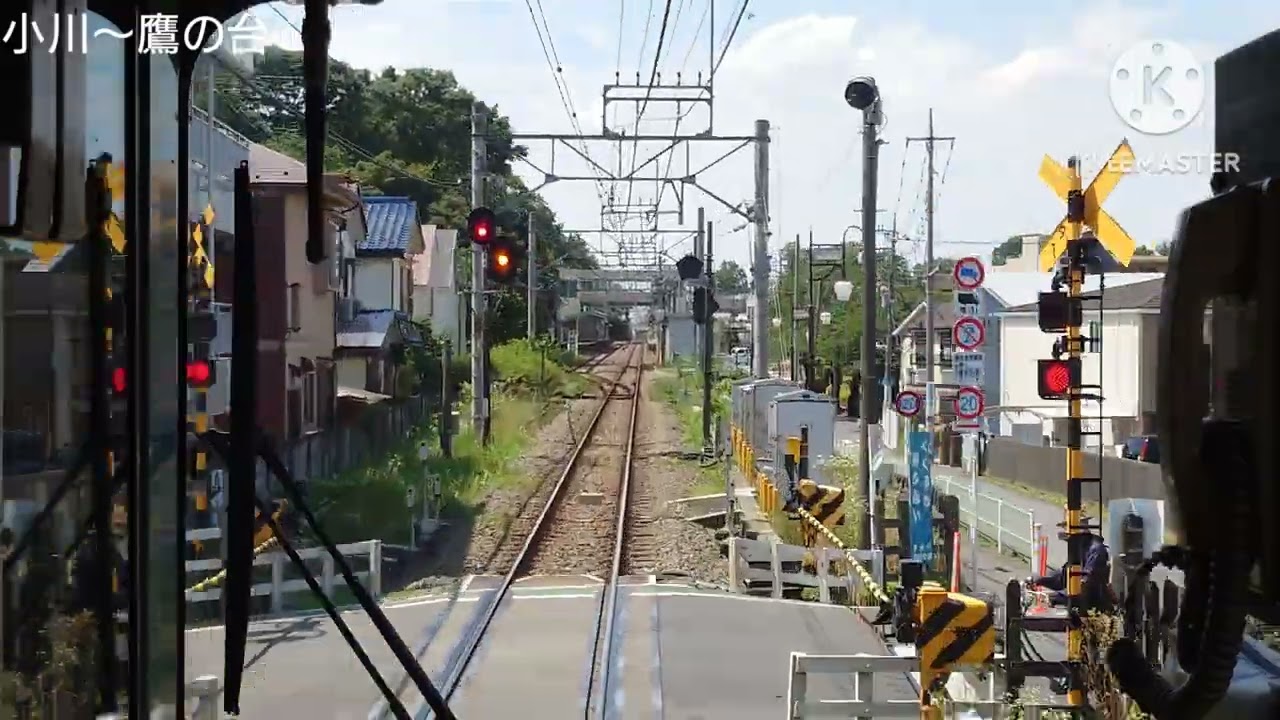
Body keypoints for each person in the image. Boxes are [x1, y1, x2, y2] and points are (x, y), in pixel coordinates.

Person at [1026, 514, 1116, 613]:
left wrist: (1056, 596)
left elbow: (1085, 583)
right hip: (1079, 602)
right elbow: (1064, 577)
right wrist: (1041, 580)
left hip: (1093, 607)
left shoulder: (1097, 550)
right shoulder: (1079, 548)